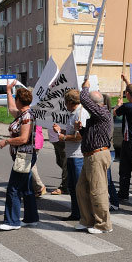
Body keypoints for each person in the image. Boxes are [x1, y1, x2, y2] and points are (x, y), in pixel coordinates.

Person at [0, 83, 38, 230]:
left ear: (20, 100)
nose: (14, 100)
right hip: (22, 156)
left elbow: (24, 138)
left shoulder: (27, 116)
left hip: (24, 156)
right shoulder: (22, 114)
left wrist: (6, 141)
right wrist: (8, 90)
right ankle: (31, 218)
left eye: (15, 98)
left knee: (13, 188)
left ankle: (12, 221)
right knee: (26, 188)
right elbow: (11, 108)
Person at [75, 80, 114, 233]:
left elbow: (83, 99)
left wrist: (85, 87)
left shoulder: (102, 112)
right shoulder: (96, 117)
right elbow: (90, 136)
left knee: (98, 190)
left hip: (98, 155)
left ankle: (103, 224)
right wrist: (82, 130)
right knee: (81, 188)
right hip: (90, 155)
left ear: (95, 104)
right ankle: (87, 220)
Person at [52, 89, 88, 221]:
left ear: (70, 102)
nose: (65, 105)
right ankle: (75, 213)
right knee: (72, 186)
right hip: (71, 154)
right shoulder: (73, 113)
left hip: (78, 155)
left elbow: (79, 137)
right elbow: (72, 132)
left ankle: (83, 214)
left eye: (65, 102)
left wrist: (62, 137)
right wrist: (60, 130)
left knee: (79, 187)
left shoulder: (81, 114)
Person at [49, 127, 68, 196]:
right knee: (59, 162)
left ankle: (65, 187)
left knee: (65, 165)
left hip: (62, 139)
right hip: (55, 140)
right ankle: (72, 180)